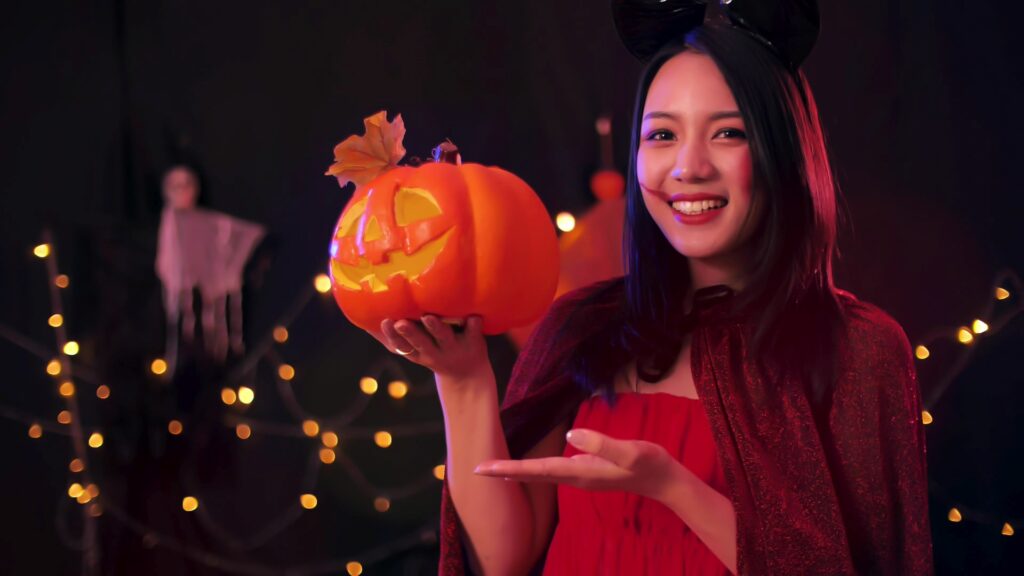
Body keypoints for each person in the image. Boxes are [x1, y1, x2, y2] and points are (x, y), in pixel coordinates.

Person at [368, 2, 933, 574]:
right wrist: (464, 382)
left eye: (729, 133)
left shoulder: (859, 352)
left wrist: (674, 486)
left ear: (784, 152)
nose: (688, 167)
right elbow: (504, 561)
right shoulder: (581, 326)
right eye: (662, 134)